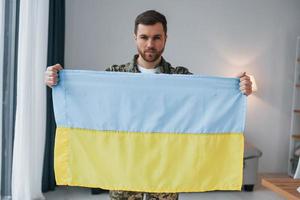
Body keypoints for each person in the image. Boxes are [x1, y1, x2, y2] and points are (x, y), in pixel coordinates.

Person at [45, 10, 252, 200]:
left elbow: (208, 101)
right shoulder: (115, 76)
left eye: (156, 37)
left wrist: (235, 86)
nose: (150, 44)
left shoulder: (180, 78)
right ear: (135, 38)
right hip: (123, 174)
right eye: (144, 37)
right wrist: (59, 79)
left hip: (165, 175)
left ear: (165, 39)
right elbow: (88, 98)